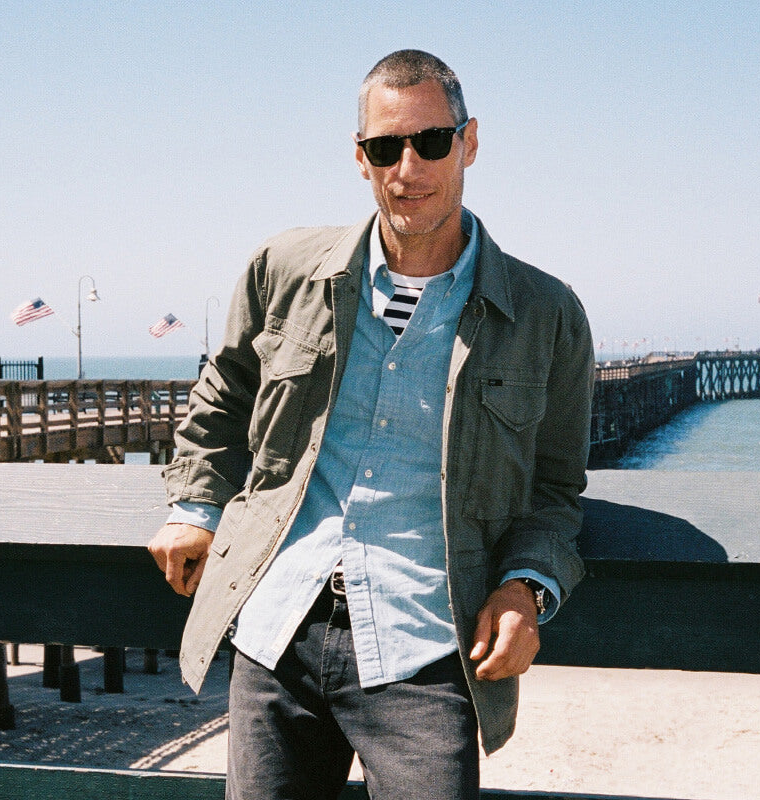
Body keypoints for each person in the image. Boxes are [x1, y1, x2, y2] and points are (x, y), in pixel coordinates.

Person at [148, 49, 594, 800]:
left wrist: (525, 589)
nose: (407, 169)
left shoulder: (545, 313)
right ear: (360, 157)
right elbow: (223, 391)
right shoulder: (284, 270)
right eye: (386, 148)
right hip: (275, 627)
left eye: (432, 142)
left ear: (470, 143)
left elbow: (554, 488)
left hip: (426, 646)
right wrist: (195, 506)